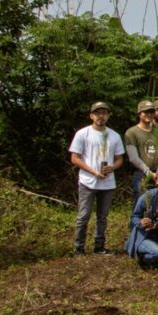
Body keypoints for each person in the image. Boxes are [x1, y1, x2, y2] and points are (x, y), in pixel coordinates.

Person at [69, 101, 125, 256]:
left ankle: (99, 246)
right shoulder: (83, 133)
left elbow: (120, 158)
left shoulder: (114, 136)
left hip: (107, 183)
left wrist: (113, 167)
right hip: (88, 181)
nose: (101, 116)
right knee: (84, 215)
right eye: (98, 113)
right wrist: (93, 171)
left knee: (102, 217)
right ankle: (79, 248)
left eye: (104, 113)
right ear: (91, 116)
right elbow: (75, 158)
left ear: (108, 116)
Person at [125, 100, 158, 202]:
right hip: (142, 174)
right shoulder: (132, 132)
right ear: (139, 114)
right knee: (142, 207)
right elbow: (133, 158)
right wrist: (148, 172)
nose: (149, 115)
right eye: (145, 112)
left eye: (151, 112)